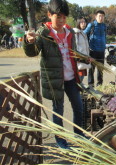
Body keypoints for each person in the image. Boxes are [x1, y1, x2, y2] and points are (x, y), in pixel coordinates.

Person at [23, 0, 84, 149]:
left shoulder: (69, 32)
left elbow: (72, 54)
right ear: (49, 15)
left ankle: (79, 135)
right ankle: (61, 141)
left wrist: (82, 57)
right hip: (55, 81)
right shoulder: (43, 33)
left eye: (64, 17)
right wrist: (29, 41)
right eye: (59, 17)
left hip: (71, 78)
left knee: (79, 107)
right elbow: (33, 52)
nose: (62, 20)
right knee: (58, 112)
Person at [84, 10, 107, 87]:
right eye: (100, 16)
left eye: (103, 16)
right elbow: (84, 34)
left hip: (102, 51)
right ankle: (91, 85)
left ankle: (100, 85)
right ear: (96, 17)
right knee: (91, 69)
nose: (101, 18)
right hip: (93, 51)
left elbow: (105, 36)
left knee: (100, 69)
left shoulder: (104, 26)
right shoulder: (91, 25)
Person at [73, 17, 91, 82]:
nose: (84, 24)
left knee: (80, 79)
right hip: (79, 61)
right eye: (81, 22)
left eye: (85, 22)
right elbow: (75, 48)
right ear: (78, 23)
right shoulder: (75, 33)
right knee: (78, 79)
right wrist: (79, 58)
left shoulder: (83, 33)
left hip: (84, 60)